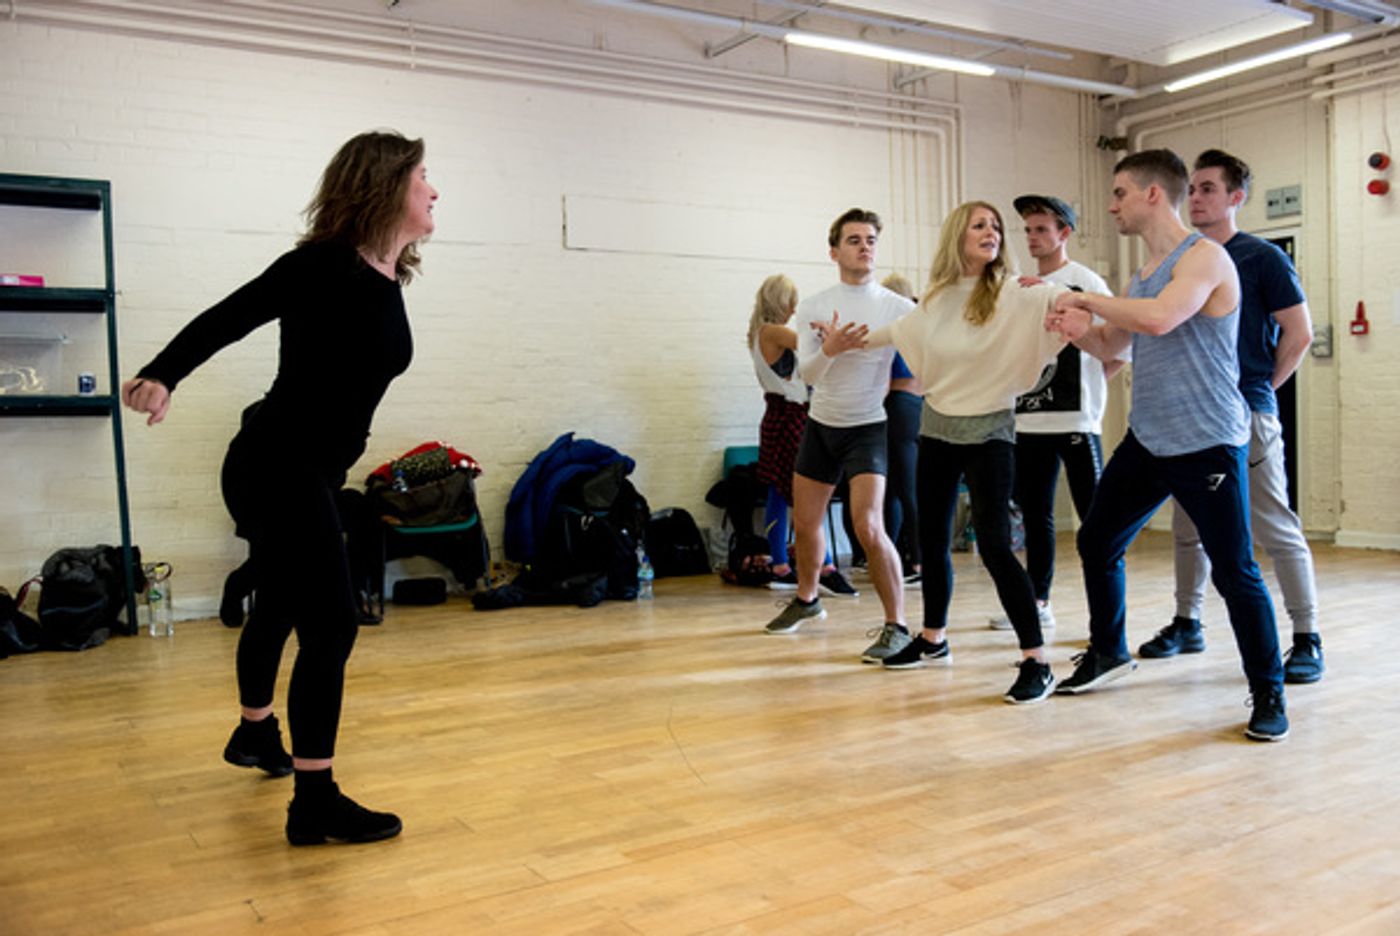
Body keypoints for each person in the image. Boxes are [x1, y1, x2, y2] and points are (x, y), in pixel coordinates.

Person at [122, 130, 438, 842]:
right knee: (333, 623)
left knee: (289, 601)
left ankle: (255, 735)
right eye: (423, 176)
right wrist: (163, 374)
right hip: (276, 463)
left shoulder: (387, 274)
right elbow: (229, 317)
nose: (434, 189)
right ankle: (314, 802)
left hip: (310, 470)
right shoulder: (322, 265)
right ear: (386, 184)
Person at [1048, 148, 1290, 741]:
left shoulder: (1206, 259)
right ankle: (1108, 650)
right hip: (1151, 440)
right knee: (1098, 537)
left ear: (1153, 194)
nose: (1113, 207)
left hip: (1207, 442)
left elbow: (1159, 319)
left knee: (1235, 572)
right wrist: (1083, 333)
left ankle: (1269, 695)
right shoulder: (1144, 273)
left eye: (1120, 194)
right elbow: (1118, 346)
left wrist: (1085, 296)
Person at [854, 201, 1072, 704]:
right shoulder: (936, 298)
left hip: (990, 431)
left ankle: (1036, 661)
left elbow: (1068, 302)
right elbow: (897, 333)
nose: (991, 233)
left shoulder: (1018, 291)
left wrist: (1070, 298)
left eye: (996, 227)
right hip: (937, 428)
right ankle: (933, 638)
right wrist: (848, 342)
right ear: (959, 235)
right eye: (980, 225)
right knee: (931, 540)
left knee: (995, 545)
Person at [1136, 149, 1324, 684]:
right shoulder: (1176, 259)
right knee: (1188, 527)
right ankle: (1186, 621)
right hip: (1191, 421)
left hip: (1246, 415)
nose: (1195, 198)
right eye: (1192, 189)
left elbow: (1300, 332)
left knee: (1272, 524)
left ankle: (1307, 636)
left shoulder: (1260, 258)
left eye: (1208, 189)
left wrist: (1260, 392)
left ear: (1236, 198)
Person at [763, 208, 911, 666]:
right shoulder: (813, 306)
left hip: (868, 427)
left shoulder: (897, 307)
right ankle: (808, 598)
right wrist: (830, 348)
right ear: (834, 251)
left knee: (868, 525)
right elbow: (807, 372)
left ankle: (897, 627)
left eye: (870, 239)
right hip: (822, 425)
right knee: (805, 523)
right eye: (854, 239)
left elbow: (933, 348)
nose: (864, 246)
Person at [987, 195, 1119, 633]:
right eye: (1027, 230)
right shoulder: (1018, 286)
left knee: (1096, 521)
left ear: (1064, 233)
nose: (1032, 237)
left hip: (1077, 423)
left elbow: (1121, 347)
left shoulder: (1086, 282)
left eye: (1042, 229)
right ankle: (1038, 601)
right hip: (1028, 422)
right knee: (1036, 514)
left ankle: (1106, 616)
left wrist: (1093, 389)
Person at [746, 275, 840, 589]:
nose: (794, 308)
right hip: (790, 415)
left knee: (780, 490)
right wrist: (824, 328)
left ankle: (784, 564)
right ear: (781, 301)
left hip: (781, 413)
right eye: (792, 301)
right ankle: (817, 565)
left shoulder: (761, 333)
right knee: (804, 491)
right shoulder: (772, 331)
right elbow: (811, 344)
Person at [880, 273, 924, 585]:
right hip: (919, 406)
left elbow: (882, 376)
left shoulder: (896, 328)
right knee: (902, 489)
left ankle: (918, 562)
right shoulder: (923, 325)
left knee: (901, 491)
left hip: (897, 405)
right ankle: (901, 557)